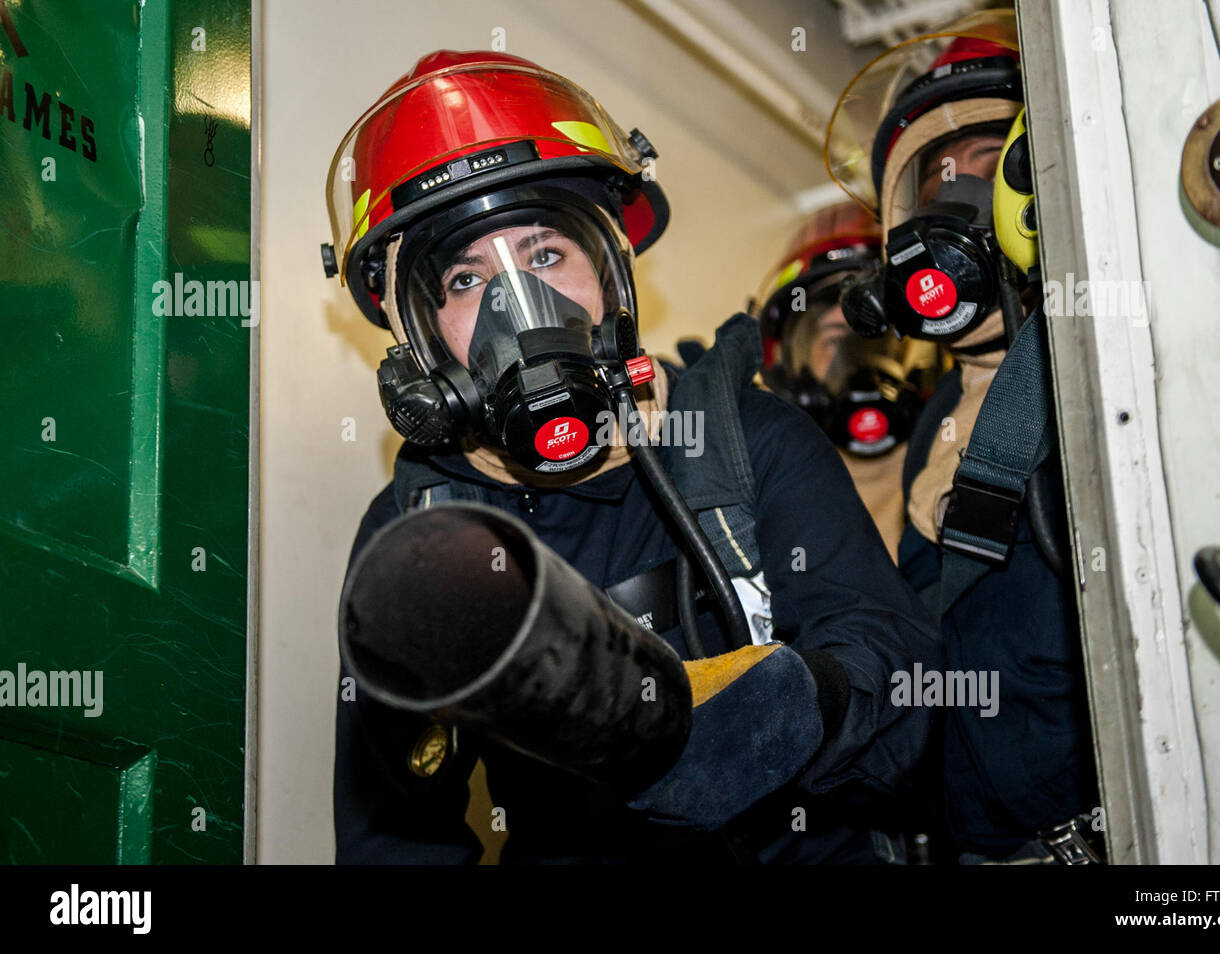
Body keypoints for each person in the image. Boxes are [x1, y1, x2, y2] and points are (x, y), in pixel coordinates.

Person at [323, 50, 942, 864]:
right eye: (468, 281)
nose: (521, 306)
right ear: (418, 339)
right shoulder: (425, 535)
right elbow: (397, 839)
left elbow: (905, 695)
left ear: (613, 274)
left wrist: (802, 707)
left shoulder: (745, 439)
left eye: (546, 256)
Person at [826, 9, 1101, 863]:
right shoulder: (930, 427)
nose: (957, 206)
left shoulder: (1102, 381)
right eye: (935, 184)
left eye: (989, 171)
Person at [755, 201, 943, 561]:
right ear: (794, 371)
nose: (856, 362)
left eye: (877, 335)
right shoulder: (770, 500)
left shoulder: (960, 472)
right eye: (835, 338)